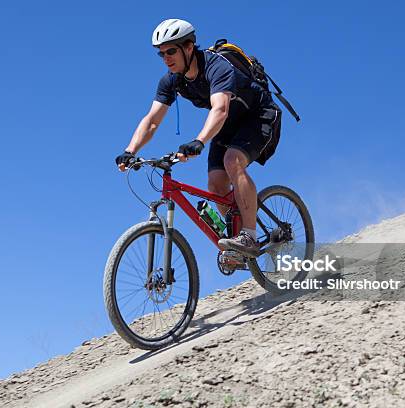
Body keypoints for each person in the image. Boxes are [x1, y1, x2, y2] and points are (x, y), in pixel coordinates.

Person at [115, 18, 282, 258]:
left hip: (260, 115)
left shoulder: (217, 67)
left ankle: (249, 236)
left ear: (189, 46)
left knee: (232, 161)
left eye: (171, 51)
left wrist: (200, 141)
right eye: (161, 54)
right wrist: (130, 150)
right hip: (229, 125)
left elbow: (220, 109)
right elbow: (152, 120)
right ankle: (236, 243)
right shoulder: (171, 80)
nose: (166, 58)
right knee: (216, 183)